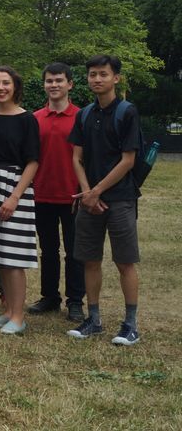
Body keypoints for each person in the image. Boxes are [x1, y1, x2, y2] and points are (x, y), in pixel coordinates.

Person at [68, 54, 143, 346]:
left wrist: (96, 191)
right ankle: (94, 319)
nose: (97, 79)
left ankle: (130, 324)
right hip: (90, 198)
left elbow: (128, 160)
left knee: (125, 261)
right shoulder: (84, 114)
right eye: (92, 75)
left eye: (103, 74)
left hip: (120, 198)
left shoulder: (127, 112)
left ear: (116, 78)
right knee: (90, 259)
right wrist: (88, 193)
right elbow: (76, 158)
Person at [0, 65, 39, 335]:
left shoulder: (27, 119)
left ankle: (19, 316)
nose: (1, 88)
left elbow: (33, 162)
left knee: (12, 256)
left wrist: (15, 196)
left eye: (6, 83)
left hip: (15, 186)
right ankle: (7, 311)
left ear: (15, 87)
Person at [29, 63, 85, 323]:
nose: (54, 85)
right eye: (49, 80)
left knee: (75, 251)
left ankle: (75, 301)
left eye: (59, 80)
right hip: (41, 194)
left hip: (73, 196)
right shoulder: (35, 118)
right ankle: (50, 297)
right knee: (48, 250)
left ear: (70, 84)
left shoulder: (82, 117)